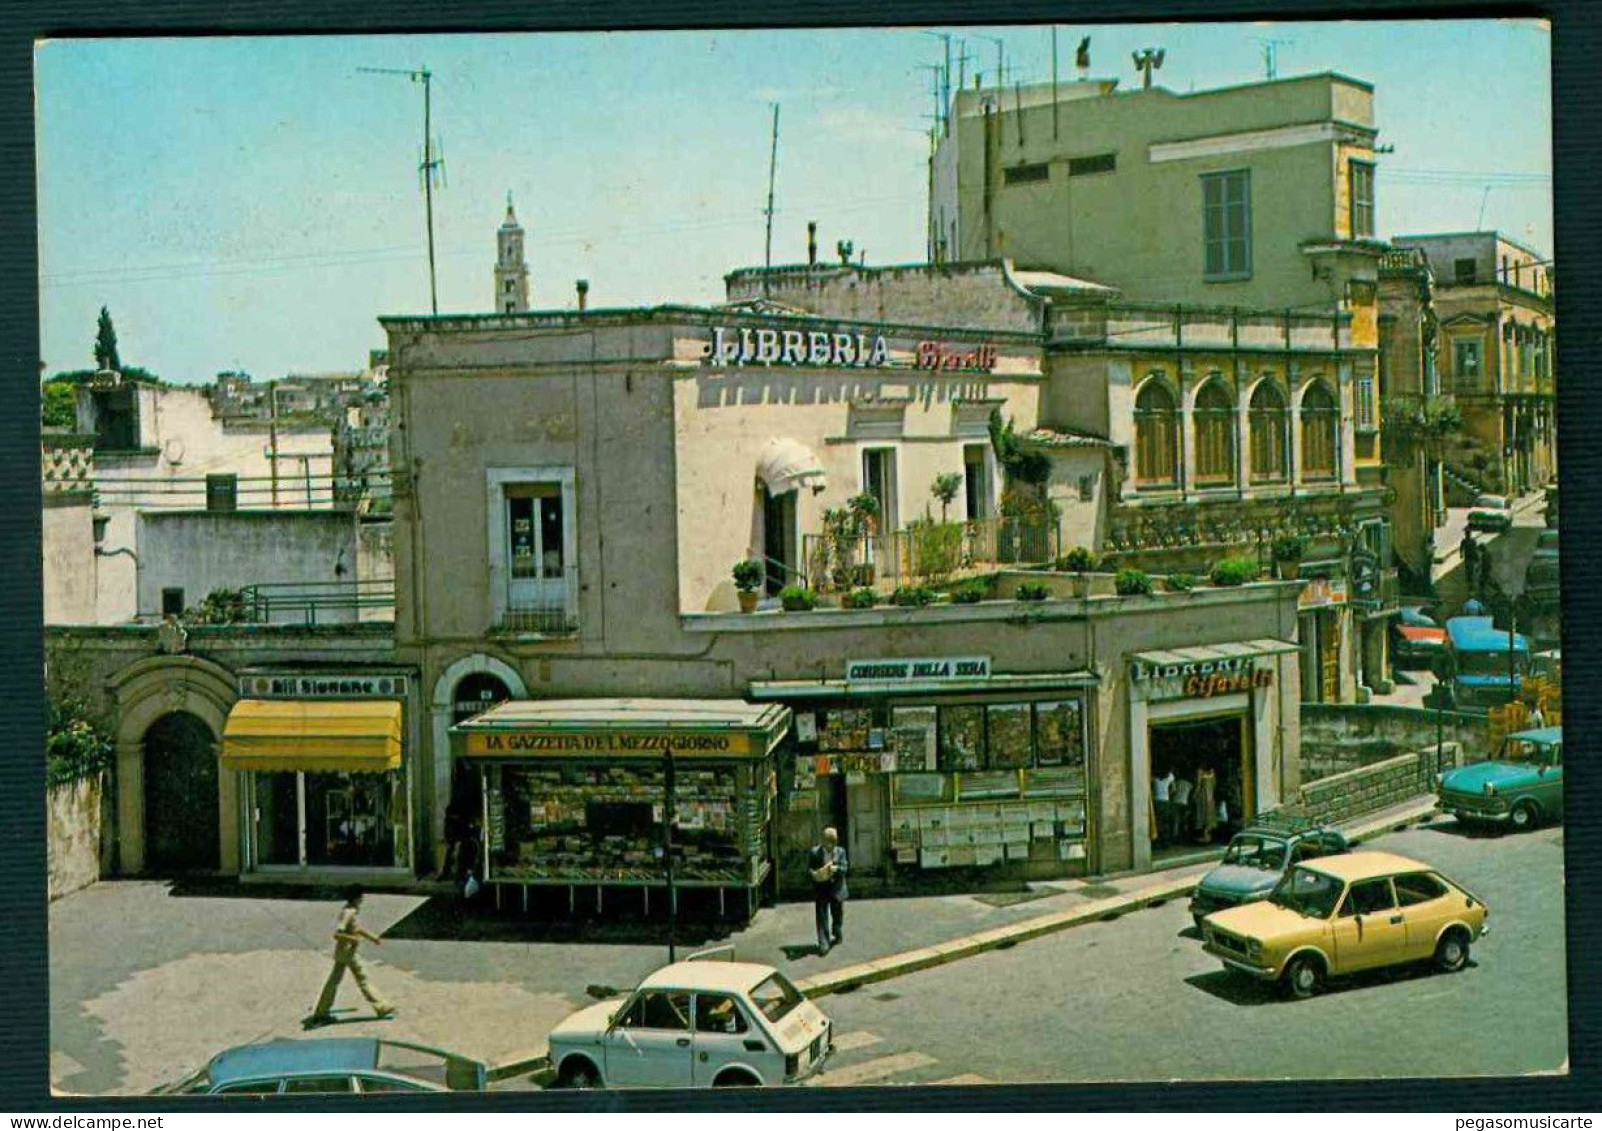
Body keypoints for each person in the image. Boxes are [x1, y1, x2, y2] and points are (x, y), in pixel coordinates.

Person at [311, 887, 395, 1024]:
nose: (363, 899)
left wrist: (372, 937)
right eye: (361, 897)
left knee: (335, 981)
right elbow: (337, 934)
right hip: (347, 952)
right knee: (360, 978)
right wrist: (354, 939)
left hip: (346, 952)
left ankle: (321, 1011)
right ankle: (381, 1006)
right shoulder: (348, 912)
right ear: (356, 898)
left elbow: (356, 928)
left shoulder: (351, 910)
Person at [807, 827, 849, 955]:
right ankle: (823, 943)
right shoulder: (815, 852)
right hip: (821, 887)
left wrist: (837, 869)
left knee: (837, 914)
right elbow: (809, 869)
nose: (830, 846)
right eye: (827, 843)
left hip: (836, 887)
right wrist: (815, 874)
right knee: (822, 916)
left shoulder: (841, 851)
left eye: (832, 843)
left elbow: (845, 868)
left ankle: (836, 930)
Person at [1171, 771, 1194, 845]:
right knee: (1185, 821)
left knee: (1176, 821)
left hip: (1176, 802)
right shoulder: (1189, 784)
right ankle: (1185, 837)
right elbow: (1191, 794)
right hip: (1185, 803)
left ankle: (1175, 837)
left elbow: (1173, 791)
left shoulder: (1177, 782)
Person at [1152, 769, 1175, 847]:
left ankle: (1157, 840)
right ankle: (1166, 841)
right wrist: (1168, 794)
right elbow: (1173, 789)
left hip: (1157, 801)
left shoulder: (1155, 779)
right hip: (1165, 801)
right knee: (1166, 822)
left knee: (1158, 822)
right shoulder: (1170, 777)